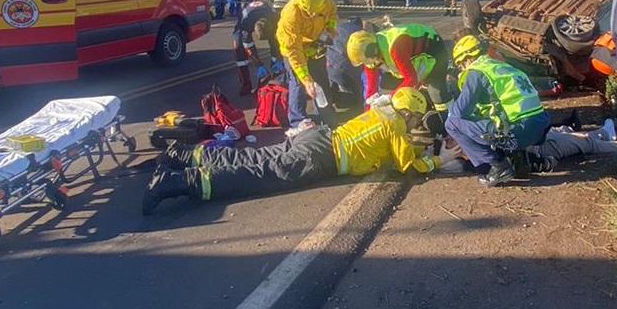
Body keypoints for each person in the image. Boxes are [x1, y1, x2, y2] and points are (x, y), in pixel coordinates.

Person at [142, 87, 439, 214]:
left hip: (317, 139)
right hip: (321, 157)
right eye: (415, 117)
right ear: (409, 112)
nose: (414, 123)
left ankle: (181, 155)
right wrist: (439, 160)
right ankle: (176, 183)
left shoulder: (380, 109)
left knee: (253, 157)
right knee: (258, 174)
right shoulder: (396, 124)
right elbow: (408, 166)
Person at [443, 32, 550, 187]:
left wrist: (449, 110)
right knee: (501, 117)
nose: (462, 69)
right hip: (540, 127)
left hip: (517, 133)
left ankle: (498, 166)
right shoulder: (502, 67)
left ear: (466, 60)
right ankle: (521, 161)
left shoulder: (476, 72)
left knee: (452, 123)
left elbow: (459, 113)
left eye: (461, 65)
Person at [276, 0, 339, 129]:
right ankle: (298, 121)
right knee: (298, 84)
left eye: (316, 12)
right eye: (309, 12)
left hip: (315, 46)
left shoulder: (325, 0)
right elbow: (294, 51)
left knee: (321, 81)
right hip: (293, 49)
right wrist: (306, 79)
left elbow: (332, 14)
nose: (312, 15)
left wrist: (329, 29)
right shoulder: (291, 15)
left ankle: (325, 115)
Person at [346, 23, 451, 110]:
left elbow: (411, 79)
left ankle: (450, 122)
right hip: (413, 60)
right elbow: (371, 88)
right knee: (386, 88)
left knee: (437, 94)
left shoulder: (396, 48)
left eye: (368, 59)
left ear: (373, 49)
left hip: (435, 52)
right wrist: (369, 110)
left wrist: (389, 98)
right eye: (364, 61)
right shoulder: (368, 57)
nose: (369, 63)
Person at [233, 0, 281, 95]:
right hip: (244, 21)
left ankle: (277, 77)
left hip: (266, 16)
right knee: (238, 49)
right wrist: (258, 64)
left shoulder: (275, 19)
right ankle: (246, 84)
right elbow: (248, 46)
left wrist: (276, 59)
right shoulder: (246, 23)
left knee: (276, 43)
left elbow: (277, 42)